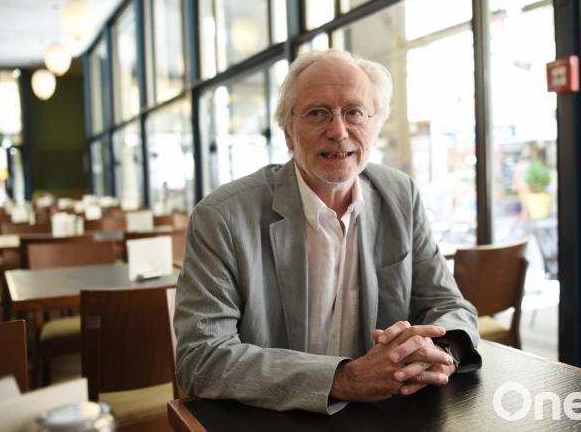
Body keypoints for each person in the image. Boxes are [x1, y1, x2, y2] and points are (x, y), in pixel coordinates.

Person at [174, 49, 482, 414]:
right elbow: (201, 358)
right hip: (272, 419)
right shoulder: (222, 216)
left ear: (375, 124)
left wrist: (439, 351)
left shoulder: (400, 195)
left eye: (354, 112)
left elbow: (449, 305)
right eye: (317, 113)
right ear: (289, 132)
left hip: (385, 415)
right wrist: (345, 379)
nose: (338, 131)